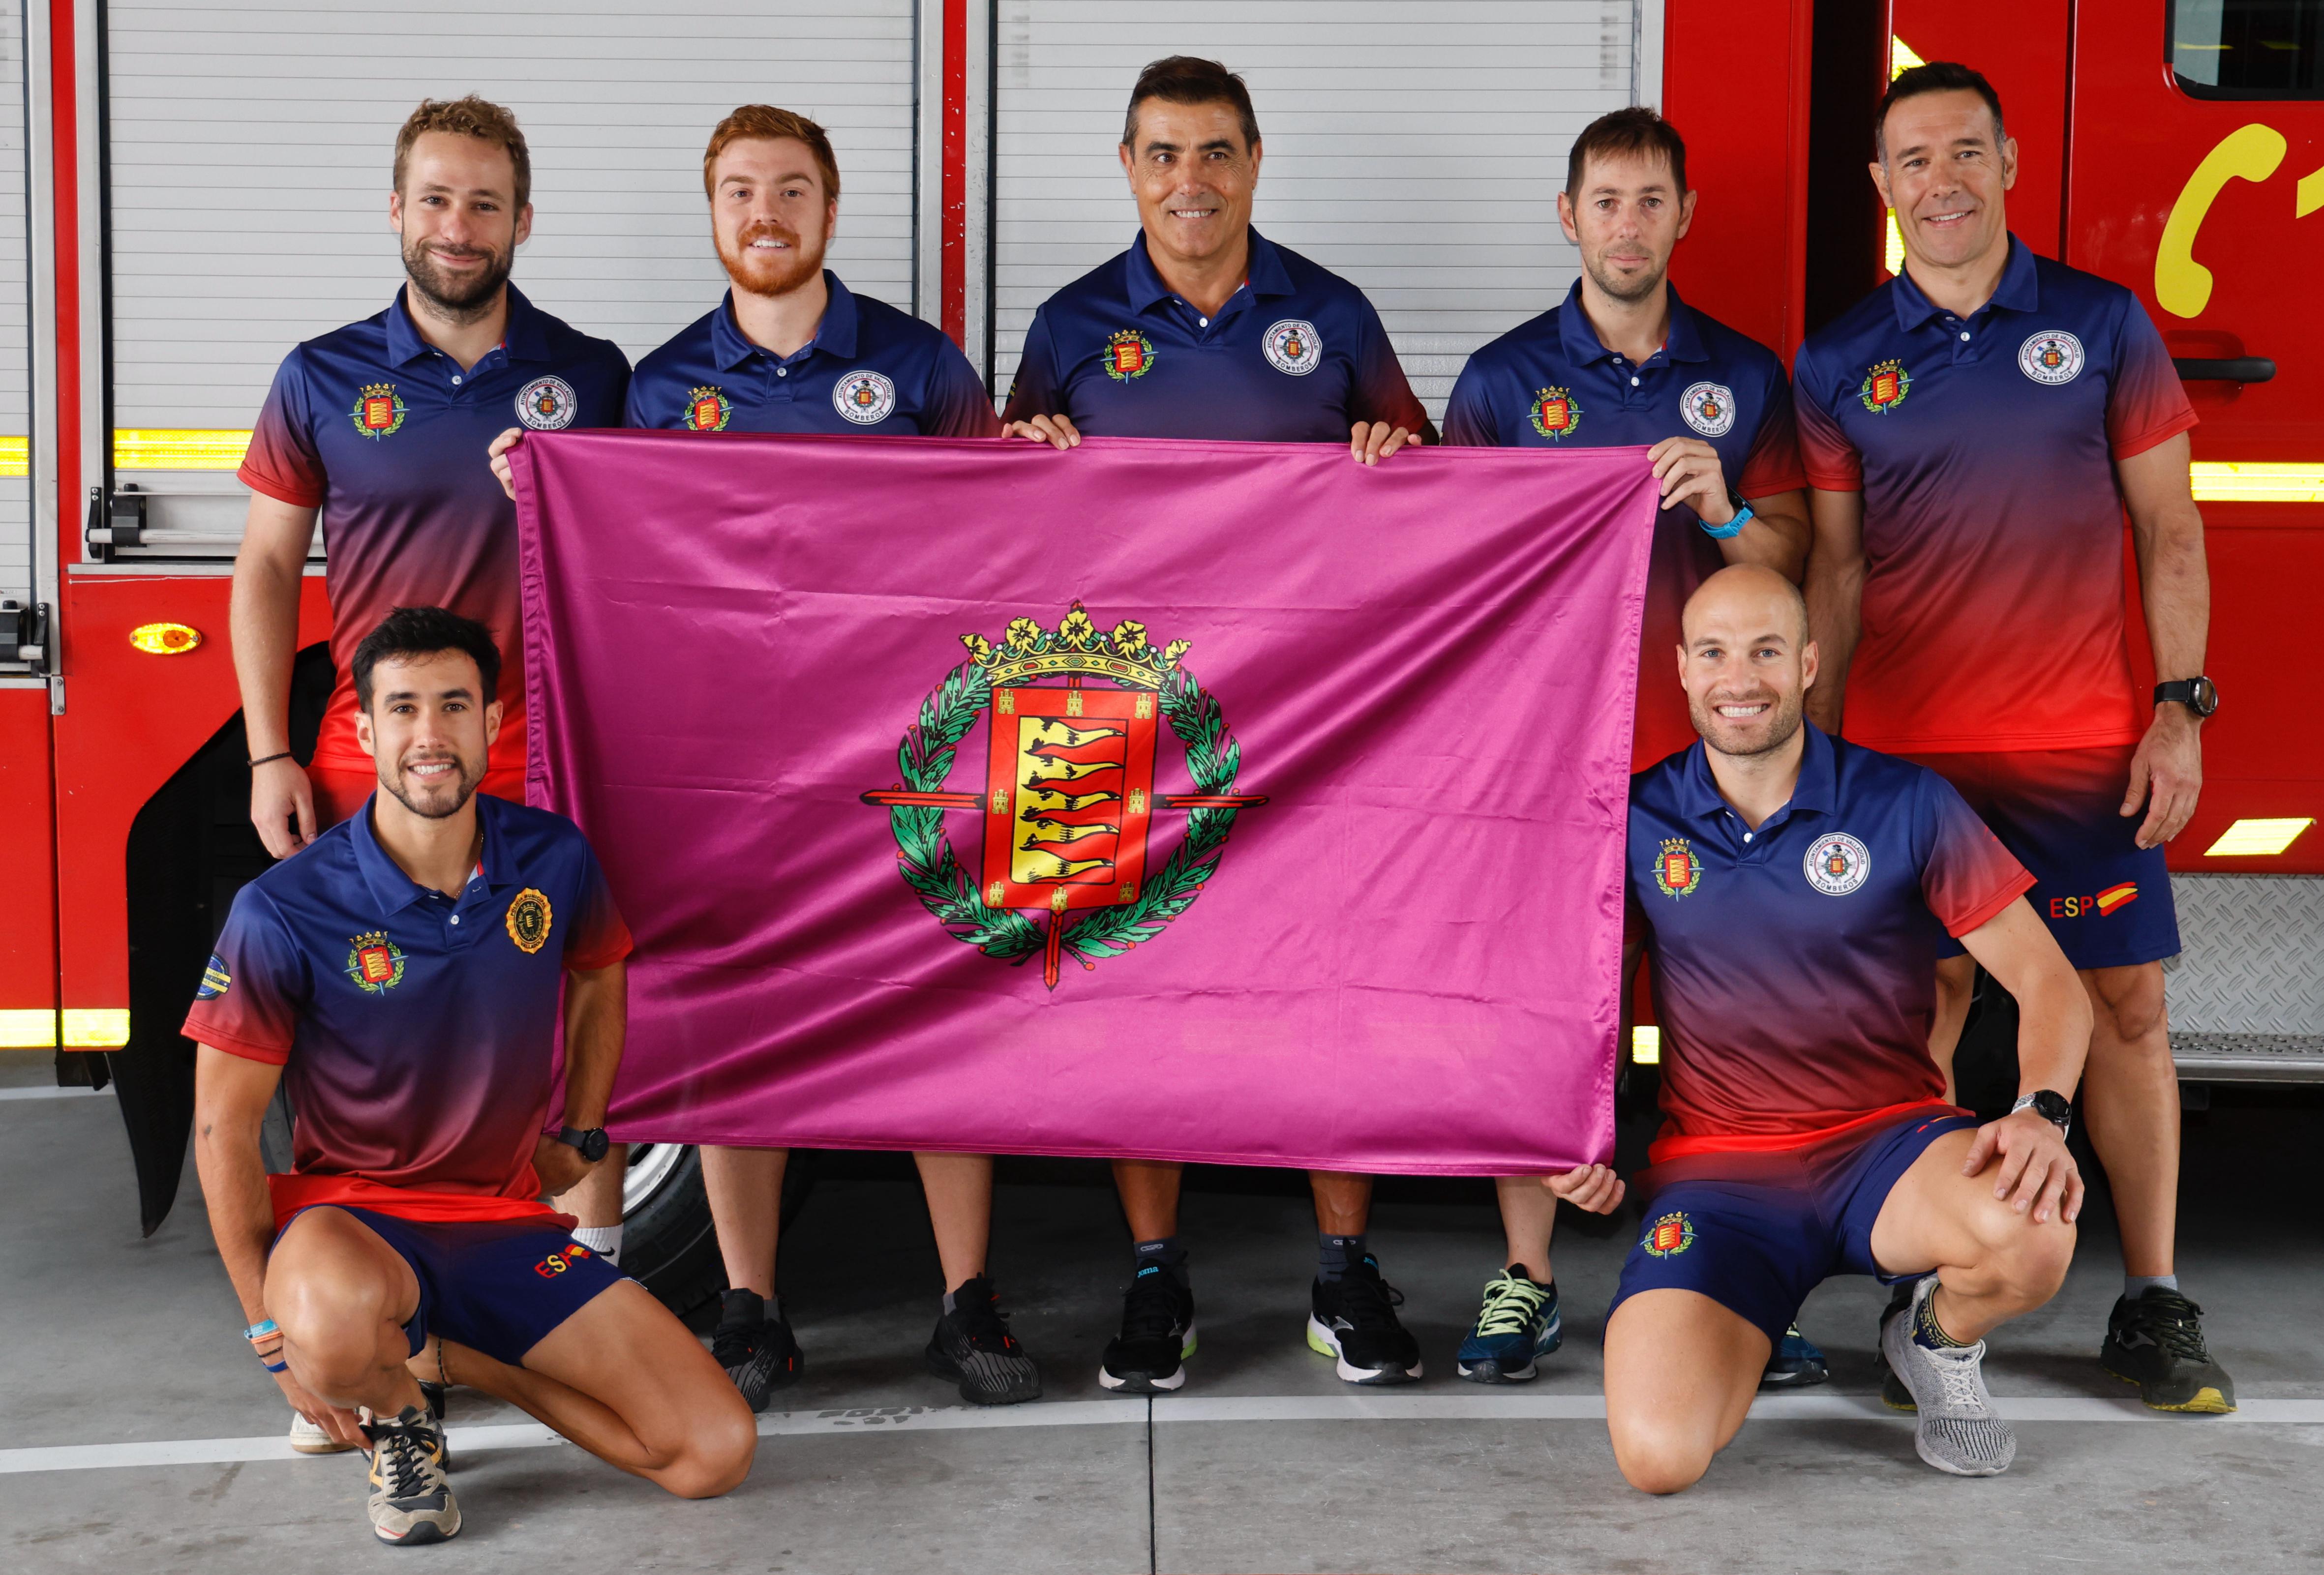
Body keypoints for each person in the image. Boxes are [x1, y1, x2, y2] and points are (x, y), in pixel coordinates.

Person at [492, 106, 1026, 1414]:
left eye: (791, 189)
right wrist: (540, 482)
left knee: (940, 1000)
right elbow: (624, 565)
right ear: (714, 211)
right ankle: (751, 1309)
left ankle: (966, 1302)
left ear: (829, 211)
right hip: (733, 765)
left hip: (911, 750)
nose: (766, 213)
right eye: (740, 190)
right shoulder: (661, 384)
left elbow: (1011, 537)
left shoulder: (920, 365)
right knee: (741, 1014)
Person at [1795, 61, 2231, 1412]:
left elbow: (2168, 529)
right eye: (1914, 159)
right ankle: (1927, 1286)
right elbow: (1836, 572)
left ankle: (2151, 1300)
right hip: (1911, 760)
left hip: (2079, 752)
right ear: (1881, 186)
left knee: (2125, 1010)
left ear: (2009, 162)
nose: (1942, 181)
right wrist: (1819, 756)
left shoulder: (2101, 324)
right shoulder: (1835, 360)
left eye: (1964, 152)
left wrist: (2178, 707)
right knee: (1917, 1011)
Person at [1000, 56, 1430, 1396]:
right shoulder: (1070, 322)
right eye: (1163, 153)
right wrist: (1024, 459)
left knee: (1331, 984)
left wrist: (1393, 461)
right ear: (1128, 169)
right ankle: (1153, 1272)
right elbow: (1000, 527)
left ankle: (1343, 1269)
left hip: (1312, 715)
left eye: (1215, 152)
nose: (1190, 180)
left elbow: (1436, 500)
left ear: (1252, 163)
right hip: (1122, 715)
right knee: (1135, 990)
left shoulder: (1331, 312)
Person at [228, 94, 634, 1450]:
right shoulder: (320, 375)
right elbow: (267, 565)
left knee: (569, 1013)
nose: (459, 227)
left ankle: (582, 1291)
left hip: (548, 754)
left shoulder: (592, 373)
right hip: (378, 759)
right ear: (395, 210)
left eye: (485, 203)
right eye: (437, 199)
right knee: (358, 1038)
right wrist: (271, 749)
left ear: (524, 220)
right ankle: (340, 1336)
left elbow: (651, 551)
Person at [186, 609, 754, 1546]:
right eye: (403, 708)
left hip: (502, 1225)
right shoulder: (283, 908)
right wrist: (269, 1339)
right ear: (364, 730)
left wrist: (580, 1133)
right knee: (328, 1328)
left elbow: (600, 970)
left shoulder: (553, 858)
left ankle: (448, 1361)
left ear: (491, 721)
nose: (430, 734)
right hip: (352, 1223)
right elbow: (222, 1128)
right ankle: (399, 1422)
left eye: (454, 706)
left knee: (712, 1453)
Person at [1551, 565, 2087, 1490]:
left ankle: (1935, 1340)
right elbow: (1568, 1000)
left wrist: (2041, 1111)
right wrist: (1560, 1135)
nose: (1739, 679)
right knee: (1658, 1459)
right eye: (1714, 653)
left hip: (1889, 1151)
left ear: (1806, 664)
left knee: (2032, 1231)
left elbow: (2051, 982)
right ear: (1681, 670)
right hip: (1719, 1175)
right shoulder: (1634, 818)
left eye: (1765, 652)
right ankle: (1745, 1317)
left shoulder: (1905, 803)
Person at [1440, 105, 1820, 1390]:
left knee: (1727, 1032)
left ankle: (1736, 1275)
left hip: (1710, 769)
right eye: (1604, 200)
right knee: (1539, 1024)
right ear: (1568, 217)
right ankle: (1526, 1276)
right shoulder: (1500, 381)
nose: (1627, 224)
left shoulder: (1745, 376)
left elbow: (1789, 564)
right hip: (1553, 767)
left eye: (1650, 200)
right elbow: (1452, 576)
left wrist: (1723, 508)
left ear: (1683, 216)